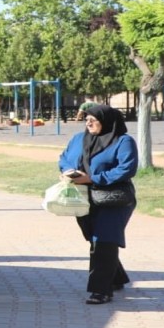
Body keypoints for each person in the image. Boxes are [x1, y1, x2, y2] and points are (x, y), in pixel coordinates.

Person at [58, 104, 137, 305]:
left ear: (107, 121)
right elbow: (64, 158)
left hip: (114, 199)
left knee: (104, 240)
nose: (88, 123)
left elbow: (126, 169)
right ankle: (117, 277)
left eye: (94, 119)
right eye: (87, 119)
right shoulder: (78, 139)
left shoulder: (123, 141)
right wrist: (68, 171)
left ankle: (101, 290)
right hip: (83, 197)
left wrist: (93, 178)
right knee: (94, 239)